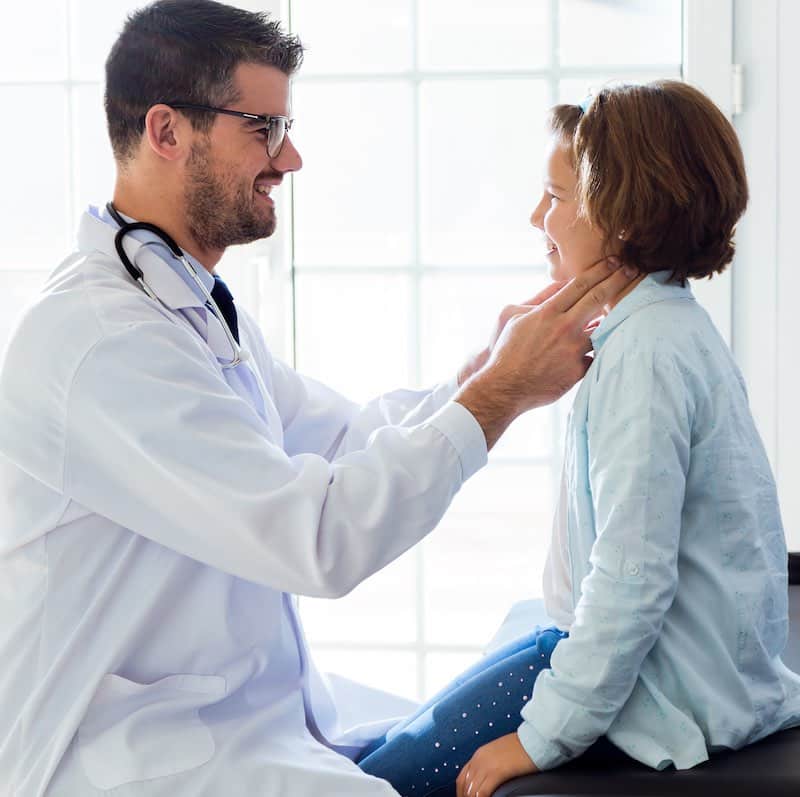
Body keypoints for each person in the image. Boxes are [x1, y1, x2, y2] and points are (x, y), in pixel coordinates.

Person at [0, 2, 635, 796]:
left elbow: (340, 442)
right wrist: (501, 394)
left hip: (234, 726)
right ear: (167, 132)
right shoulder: (99, 343)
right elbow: (316, 535)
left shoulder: (187, 303)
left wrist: (486, 368)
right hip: (119, 761)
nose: (289, 157)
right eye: (262, 127)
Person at [357, 80, 800, 797]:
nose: (538, 216)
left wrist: (539, 738)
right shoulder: (659, 325)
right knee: (391, 742)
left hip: (662, 696)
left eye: (556, 198)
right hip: (669, 668)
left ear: (622, 221)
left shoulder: (645, 355)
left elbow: (631, 580)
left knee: (388, 775)